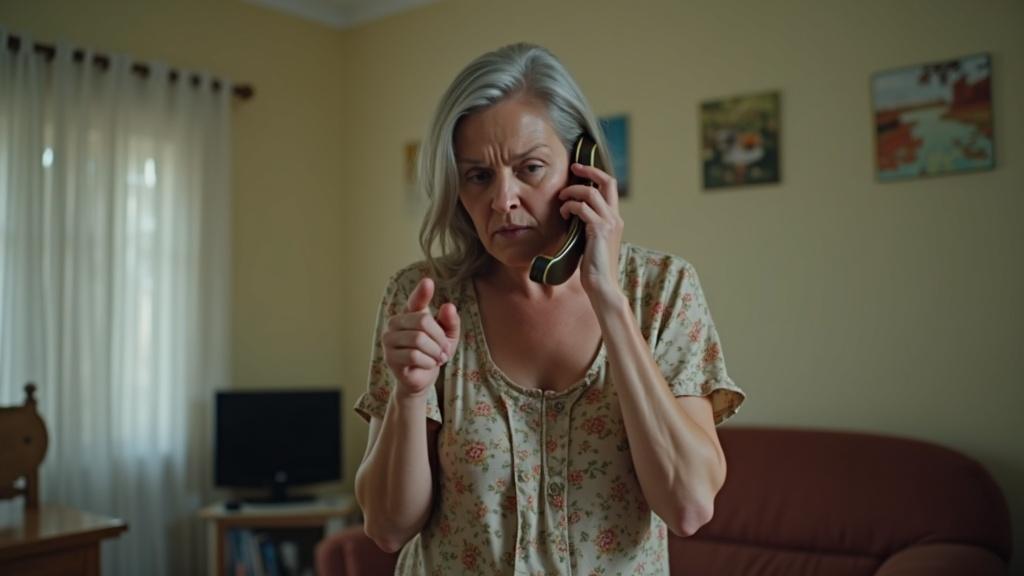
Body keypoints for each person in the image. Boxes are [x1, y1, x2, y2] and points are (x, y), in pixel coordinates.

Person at [354, 43, 745, 575]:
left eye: (531, 168)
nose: (503, 200)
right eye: (478, 176)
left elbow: (689, 507)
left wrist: (609, 300)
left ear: (583, 168)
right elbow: (387, 527)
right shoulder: (424, 296)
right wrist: (408, 395)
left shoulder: (662, 289)